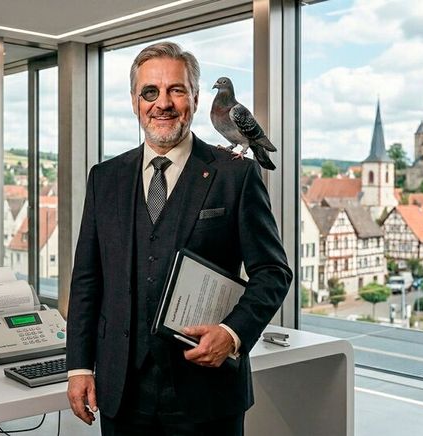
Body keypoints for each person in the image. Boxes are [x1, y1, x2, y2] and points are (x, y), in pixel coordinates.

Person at [66, 41, 292, 435]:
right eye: (150, 92)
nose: (163, 103)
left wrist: (233, 333)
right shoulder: (105, 179)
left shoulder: (235, 175)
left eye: (177, 90)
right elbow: (88, 280)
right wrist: (80, 366)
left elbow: (273, 272)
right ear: (135, 101)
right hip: (122, 393)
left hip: (208, 397)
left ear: (195, 97)